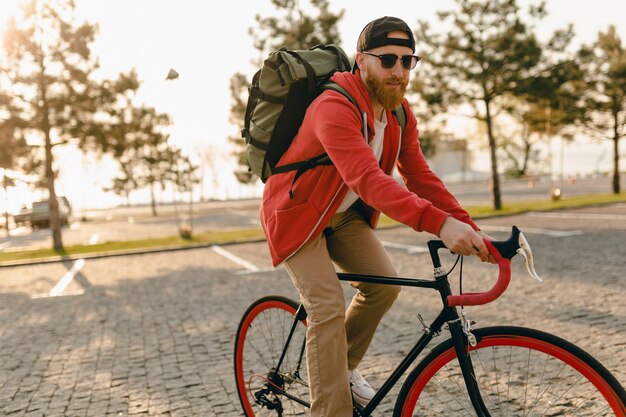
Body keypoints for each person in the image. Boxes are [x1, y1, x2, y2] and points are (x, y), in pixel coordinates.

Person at [259, 16, 494, 417]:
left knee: (383, 287)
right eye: (387, 60)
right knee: (327, 307)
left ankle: (342, 368)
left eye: (408, 61)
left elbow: (419, 175)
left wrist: (466, 224)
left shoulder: (400, 114)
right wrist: (438, 224)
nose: (399, 71)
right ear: (361, 61)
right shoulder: (333, 106)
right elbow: (368, 180)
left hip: (344, 215)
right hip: (297, 216)